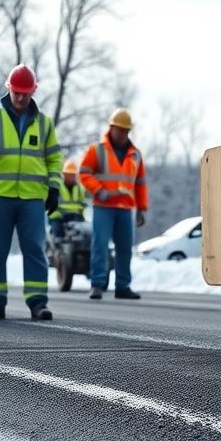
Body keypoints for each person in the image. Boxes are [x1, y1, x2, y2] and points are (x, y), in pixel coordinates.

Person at [0, 64, 62, 321]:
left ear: (33, 92)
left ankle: (38, 302)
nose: (20, 98)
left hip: (32, 198)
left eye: (25, 93)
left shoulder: (44, 124)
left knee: (34, 250)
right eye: (16, 92)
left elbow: (54, 158)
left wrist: (54, 187)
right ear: (8, 89)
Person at [79, 108, 148, 300]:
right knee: (100, 245)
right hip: (104, 207)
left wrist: (142, 208)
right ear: (111, 128)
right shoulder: (97, 150)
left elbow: (140, 183)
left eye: (126, 130)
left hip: (125, 208)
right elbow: (84, 173)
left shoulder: (135, 154)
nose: (123, 134)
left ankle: (122, 286)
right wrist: (99, 190)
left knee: (124, 248)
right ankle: (97, 284)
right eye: (120, 130)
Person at [48, 159, 88, 240]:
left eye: (72, 175)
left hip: (75, 217)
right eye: (68, 174)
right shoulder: (56, 188)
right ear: (64, 175)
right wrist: (60, 215)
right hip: (59, 217)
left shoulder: (80, 189)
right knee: (58, 235)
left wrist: (80, 215)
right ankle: (58, 244)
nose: (70, 177)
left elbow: (82, 205)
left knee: (86, 234)